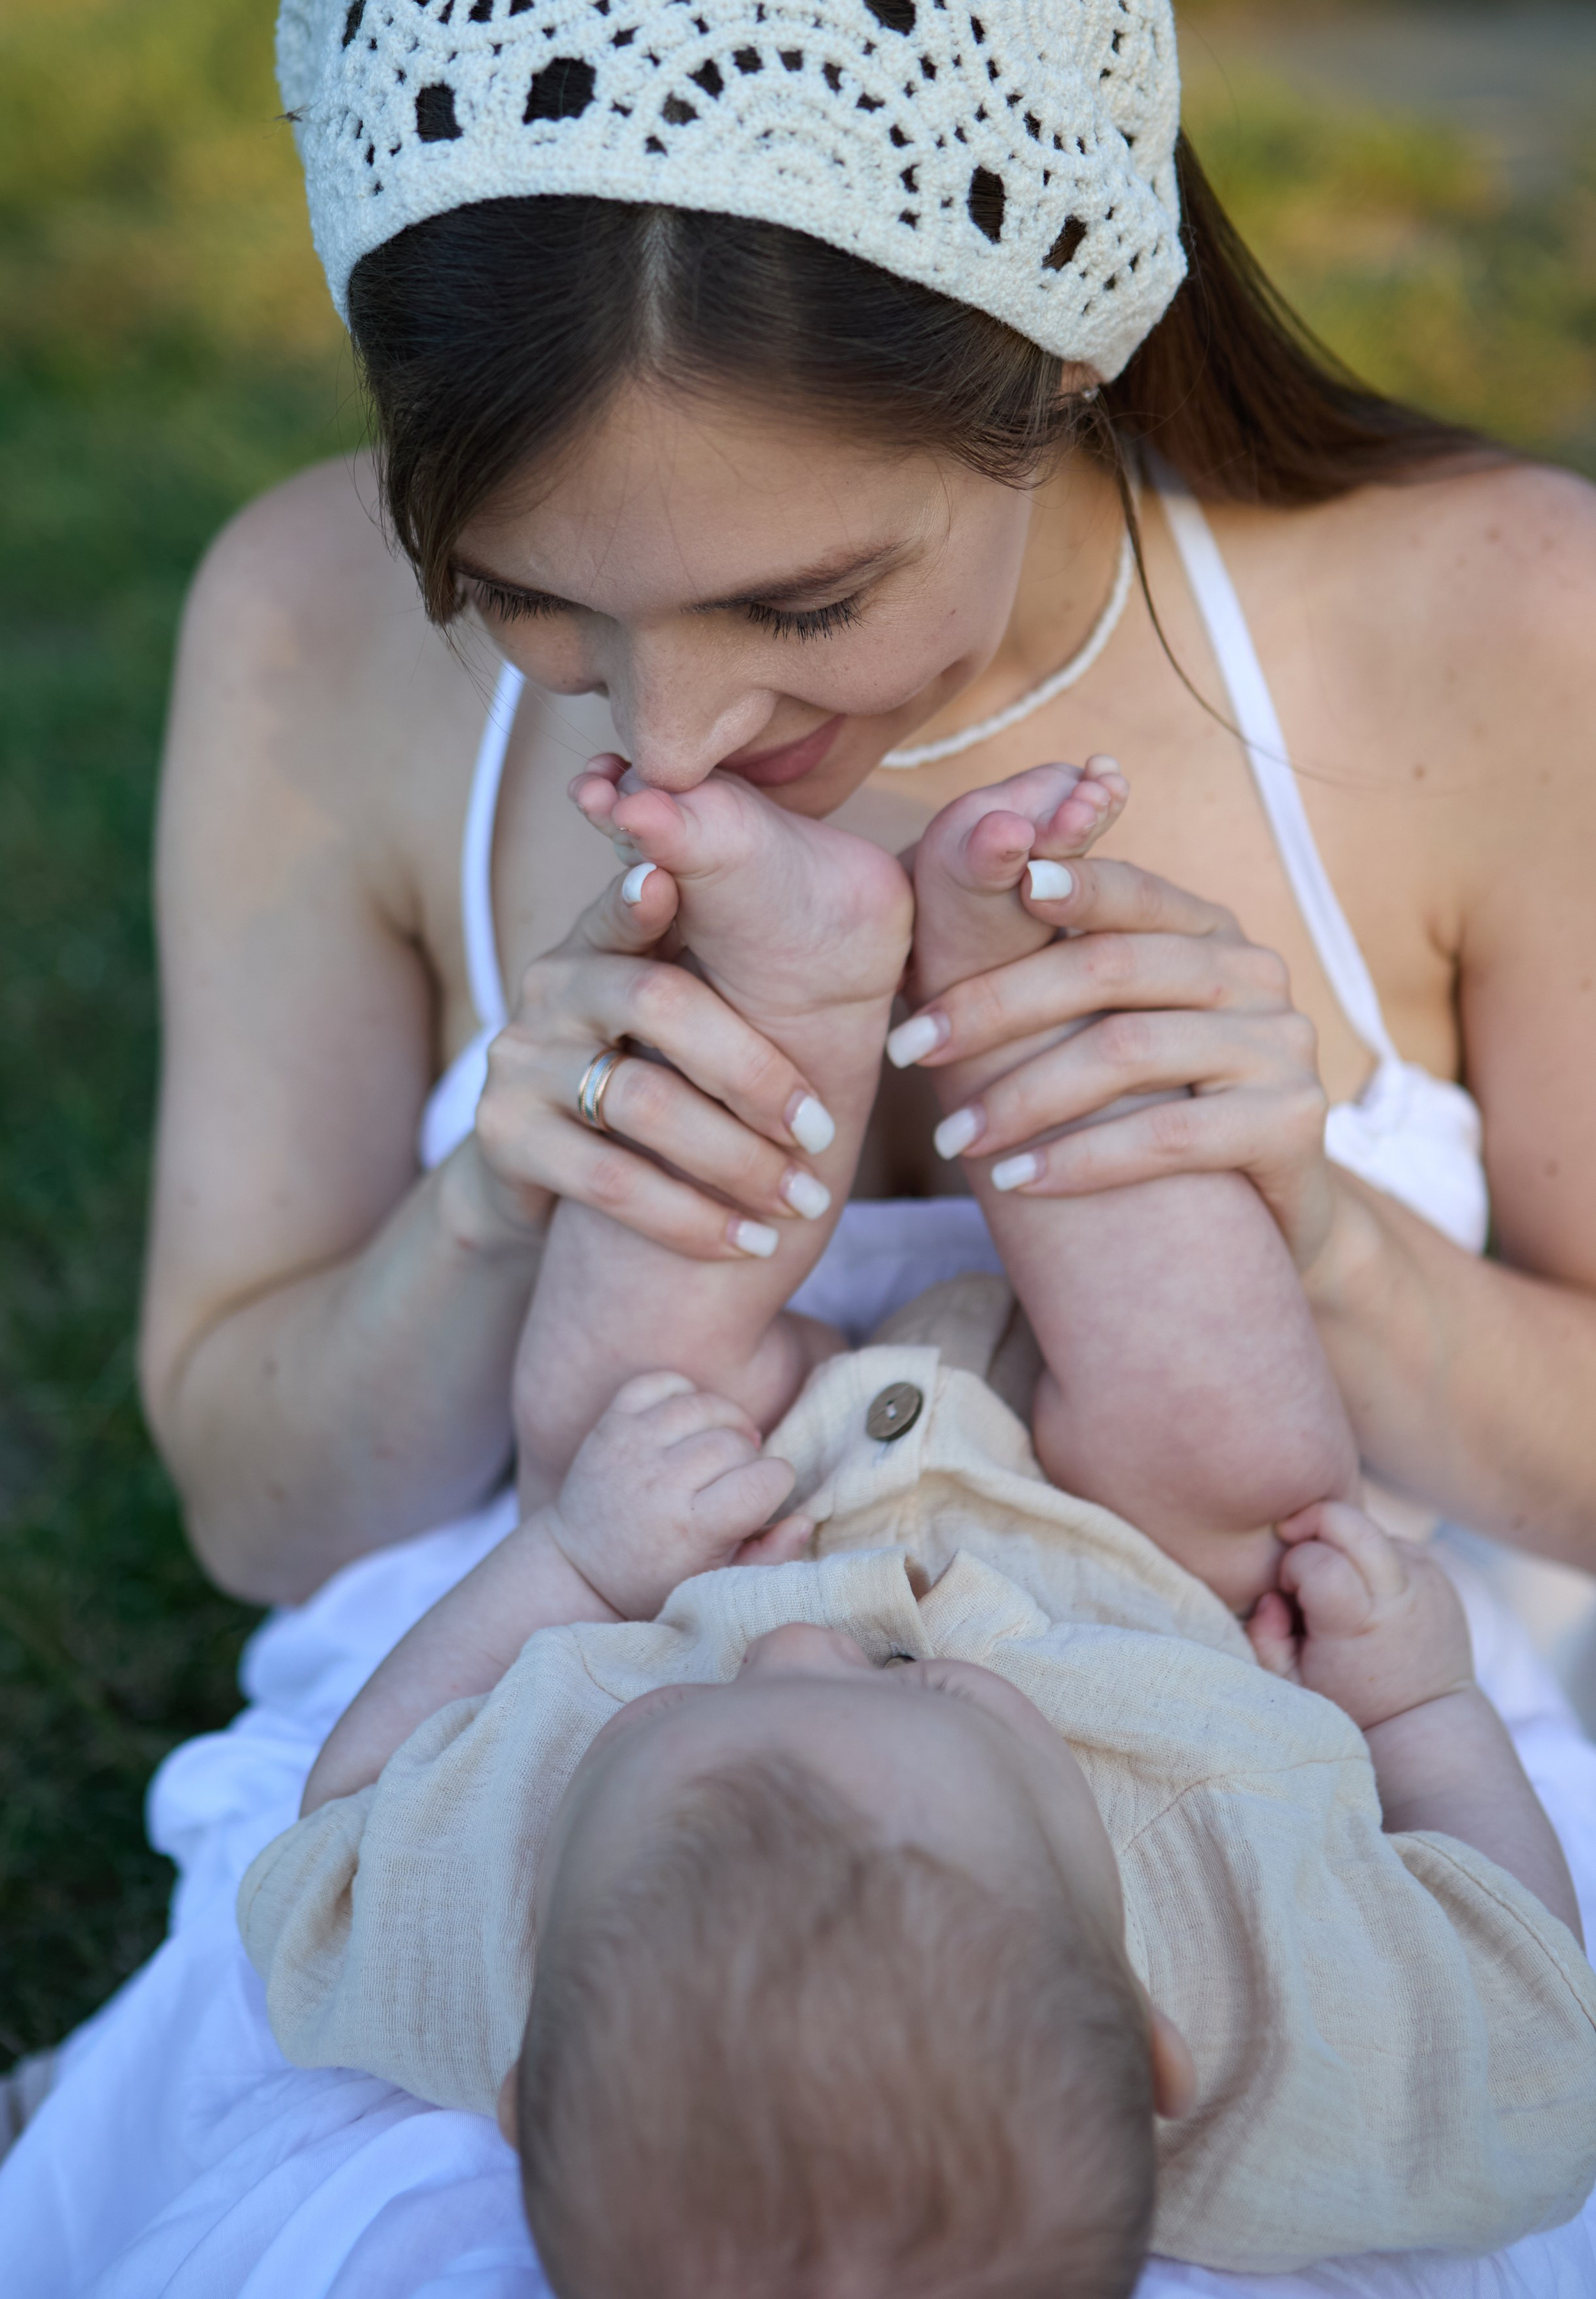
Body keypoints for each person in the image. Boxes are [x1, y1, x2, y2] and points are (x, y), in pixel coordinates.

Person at [0, 0, 1596, 2296]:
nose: (686, 727)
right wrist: (485, 1217)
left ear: (1058, 357)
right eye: (537, 609)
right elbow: (254, 1498)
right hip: (578, 1827)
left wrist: (1325, 1245)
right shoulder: (310, 635)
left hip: (1257, 1784)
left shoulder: (1486, 624)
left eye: (812, 593)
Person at [237, 759, 1594, 2291]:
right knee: (1236, 1449)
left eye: (719, 1705)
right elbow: (1528, 2007)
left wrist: (568, 1563)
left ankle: (779, 984)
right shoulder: (1303, 2040)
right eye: (918, 1690)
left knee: (620, 1402)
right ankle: (1029, 1011)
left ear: (520, 2089)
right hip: (1143, 1549)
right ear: (1160, 2053)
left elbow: (335, 1838)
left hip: (728, 1487)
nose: (815, 1640)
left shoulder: (497, 1952)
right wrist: (1418, 1709)